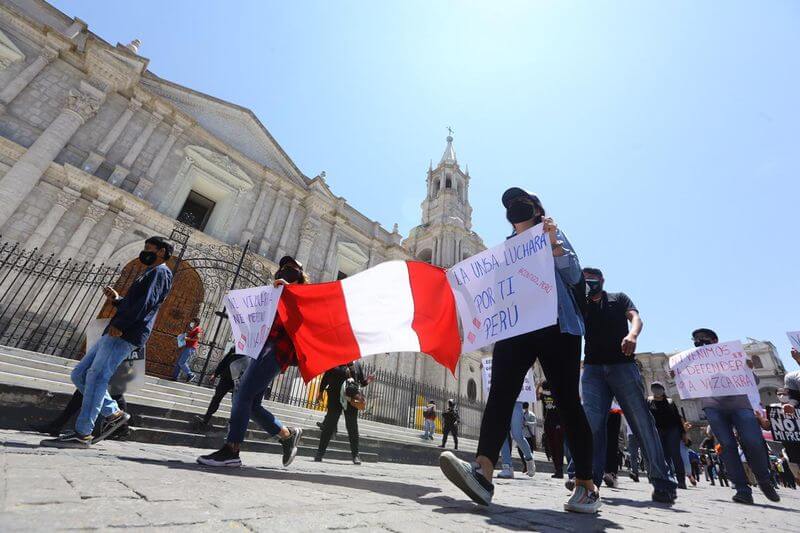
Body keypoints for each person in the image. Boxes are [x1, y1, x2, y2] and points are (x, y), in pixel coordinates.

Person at [439, 188, 599, 513]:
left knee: (567, 400)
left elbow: (573, 275)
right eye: (510, 205)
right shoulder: (507, 248)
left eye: (520, 202)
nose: (515, 207)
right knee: (499, 393)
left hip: (556, 324)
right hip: (516, 326)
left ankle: (586, 485)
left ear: (536, 208)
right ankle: (482, 473)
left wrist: (553, 243)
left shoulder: (551, 232)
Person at [42, 237, 174, 448]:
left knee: (97, 376)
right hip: (117, 330)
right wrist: (117, 299)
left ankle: (83, 433)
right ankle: (113, 413)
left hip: (125, 333)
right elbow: (135, 303)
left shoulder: (161, 272)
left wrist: (121, 324)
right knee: (80, 374)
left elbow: (146, 304)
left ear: (161, 251)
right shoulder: (150, 272)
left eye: (149, 248)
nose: (145, 252)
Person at [197, 256, 306, 468]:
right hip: (260, 349)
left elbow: (298, 322)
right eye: (283, 267)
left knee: (243, 395)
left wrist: (287, 294)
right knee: (252, 403)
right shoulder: (272, 293)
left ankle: (232, 450)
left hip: (276, 350)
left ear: (300, 277)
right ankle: (287, 435)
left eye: (292, 269)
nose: (286, 270)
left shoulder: (300, 296)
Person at [579, 267, 678, 502]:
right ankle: (585, 477)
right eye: (585, 280)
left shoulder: (619, 298)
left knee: (642, 421)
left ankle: (661, 481)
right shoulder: (580, 304)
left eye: (593, 279)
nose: (589, 283)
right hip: (592, 369)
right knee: (591, 423)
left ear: (602, 281)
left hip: (622, 366)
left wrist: (632, 335)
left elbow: (635, 317)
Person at [690, 328, 779, 504]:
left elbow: (755, 382)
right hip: (713, 407)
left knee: (753, 441)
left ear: (715, 340)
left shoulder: (732, 354)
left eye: (703, 339)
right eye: (696, 340)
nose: (699, 342)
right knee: (727, 445)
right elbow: (689, 385)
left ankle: (763, 478)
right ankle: (741, 489)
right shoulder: (694, 361)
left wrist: (749, 369)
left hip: (740, 404)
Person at [314, 360, 374, 464]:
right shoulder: (335, 361)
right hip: (335, 397)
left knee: (352, 427)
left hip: (351, 399)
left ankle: (356, 455)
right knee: (329, 425)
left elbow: (360, 382)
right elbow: (326, 377)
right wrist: (320, 392)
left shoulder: (356, 364)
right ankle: (320, 453)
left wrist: (368, 380)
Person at [647, 381, 687, 492]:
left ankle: (681, 480)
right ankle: (669, 478)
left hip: (672, 430)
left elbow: (677, 418)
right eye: (654, 388)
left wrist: (683, 433)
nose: (657, 391)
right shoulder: (649, 401)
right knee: (663, 456)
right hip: (658, 431)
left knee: (676, 455)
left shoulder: (670, 401)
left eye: (658, 388)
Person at [194, 346, 244, 429]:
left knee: (236, 403)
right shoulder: (235, 348)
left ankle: (233, 425)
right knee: (216, 398)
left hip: (239, 380)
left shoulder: (252, 353)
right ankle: (206, 419)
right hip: (226, 378)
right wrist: (215, 373)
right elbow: (224, 362)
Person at [497, 401, 536, 479]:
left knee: (517, 435)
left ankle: (529, 459)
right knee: (502, 435)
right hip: (501, 402)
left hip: (516, 402)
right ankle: (507, 467)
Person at [539, 382, 566, 478]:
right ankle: (557, 469)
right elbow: (537, 395)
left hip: (558, 423)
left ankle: (560, 470)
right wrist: (539, 385)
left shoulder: (557, 395)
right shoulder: (544, 396)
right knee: (552, 446)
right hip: (548, 423)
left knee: (558, 447)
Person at [174, 317, 203, 382]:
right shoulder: (193, 329)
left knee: (181, 362)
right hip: (186, 347)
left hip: (191, 347)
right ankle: (175, 377)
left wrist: (187, 338)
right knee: (179, 362)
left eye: (193, 321)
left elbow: (197, 338)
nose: (191, 323)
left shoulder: (198, 329)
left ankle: (191, 374)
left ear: (196, 323)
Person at [517, 402, 538, 474]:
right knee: (520, 451)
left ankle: (530, 467)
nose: (524, 409)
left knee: (529, 452)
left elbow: (535, 423)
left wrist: (527, 423)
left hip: (528, 436)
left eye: (525, 407)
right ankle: (525, 465)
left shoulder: (531, 414)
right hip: (521, 436)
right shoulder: (519, 414)